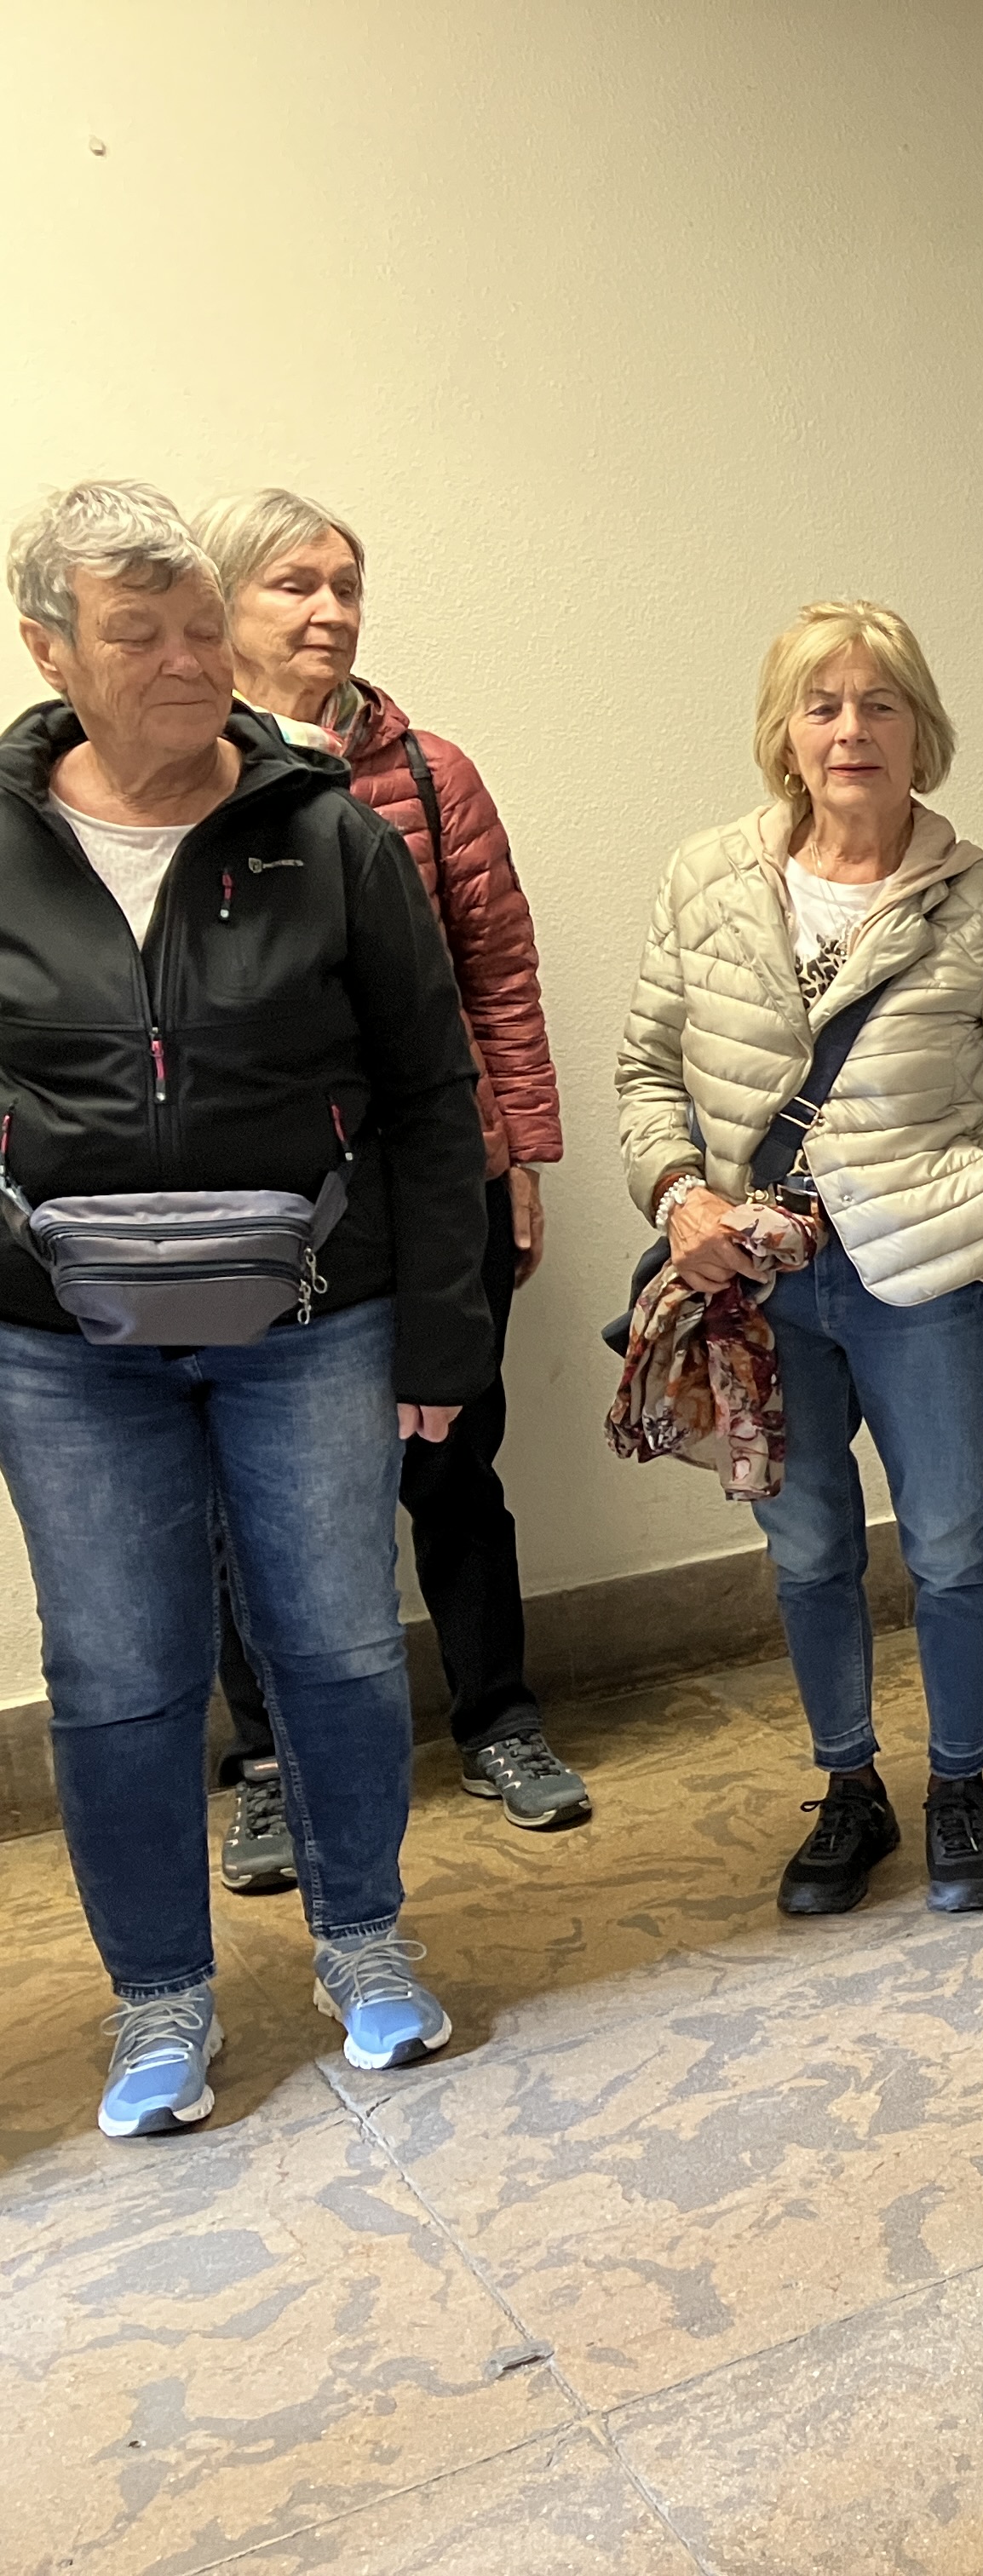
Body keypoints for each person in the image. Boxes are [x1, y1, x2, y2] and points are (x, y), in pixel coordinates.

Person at [0, 481, 492, 2133]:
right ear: (51, 649)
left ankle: (364, 1942)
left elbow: (433, 1091)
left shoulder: (331, 835)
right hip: (62, 1346)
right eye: (138, 633)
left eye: (202, 626)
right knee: (118, 1674)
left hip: (312, 1318)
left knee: (339, 1644)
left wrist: (445, 1329)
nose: (188, 660)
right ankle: (159, 1999)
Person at [615, 601, 983, 1917]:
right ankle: (849, 1786)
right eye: (821, 705)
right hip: (757, 1291)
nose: (851, 730)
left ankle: (958, 1786)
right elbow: (648, 1073)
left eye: (880, 703)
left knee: (949, 1540)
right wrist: (679, 1199)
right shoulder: (707, 880)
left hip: (920, 1291)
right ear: (784, 732)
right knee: (809, 1546)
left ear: (919, 730)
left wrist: (978, 1225)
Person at [191, 487, 583, 1881]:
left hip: (434, 1183)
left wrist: (518, 1156)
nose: (330, 610)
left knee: (454, 1462)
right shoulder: (178, 779)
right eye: (294, 584)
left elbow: (499, 976)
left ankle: (500, 1721)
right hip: (262, 1201)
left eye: (347, 584)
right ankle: (267, 1766)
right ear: (220, 606)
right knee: (247, 1497)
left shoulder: (428, 772)